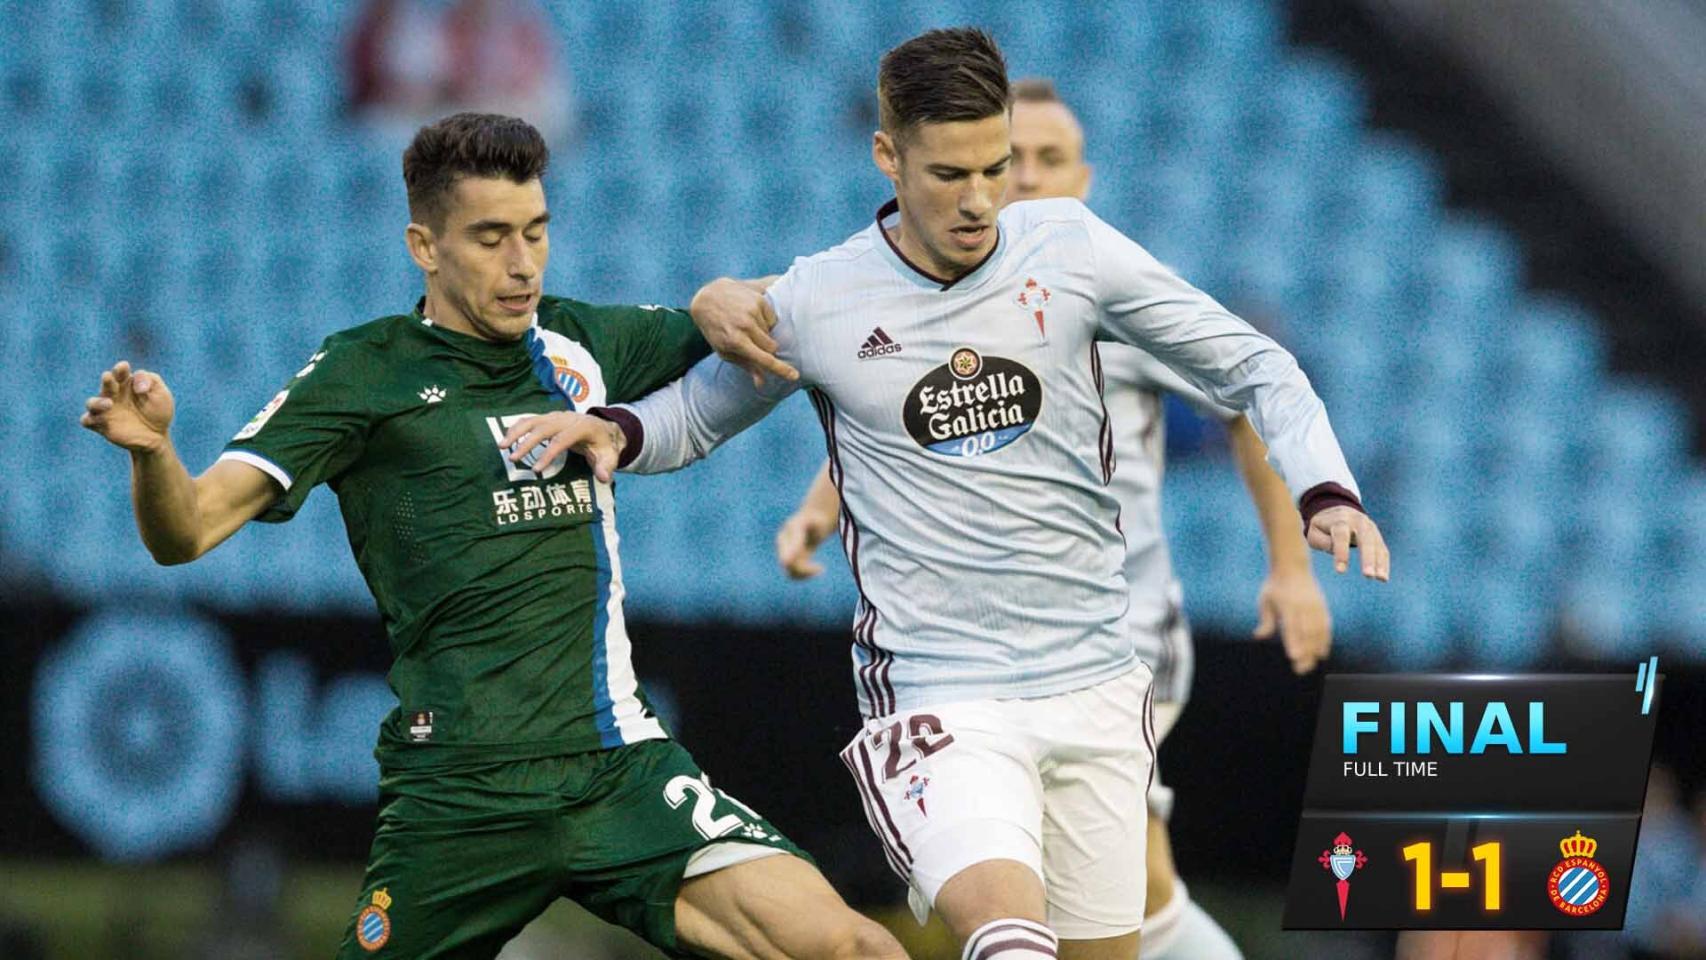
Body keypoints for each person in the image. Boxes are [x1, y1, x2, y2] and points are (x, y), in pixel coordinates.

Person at [507, 28, 1389, 960]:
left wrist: (1326, 491)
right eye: (948, 174)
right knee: (1010, 943)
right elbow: (695, 417)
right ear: (887, 156)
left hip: (1093, 680)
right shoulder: (822, 298)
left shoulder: (1071, 248)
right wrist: (616, 429)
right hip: (939, 694)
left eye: (995, 167)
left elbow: (1254, 364)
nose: (978, 202)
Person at [79, 112, 904, 960]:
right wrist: (153, 456)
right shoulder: (364, 371)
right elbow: (188, 531)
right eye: (490, 238)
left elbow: (789, 306)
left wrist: (719, 294)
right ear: (424, 247)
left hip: (615, 768)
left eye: (536, 233)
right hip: (460, 797)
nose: (522, 264)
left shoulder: (579, 346)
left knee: (854, 948)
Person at [771, 76, 1324, 960]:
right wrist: (816, 507)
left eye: (1047, 160)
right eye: (1009, 159)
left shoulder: (1112, 301)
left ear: (1085, 178)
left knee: (1060, 893)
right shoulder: (961, 296)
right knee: (1135, 901)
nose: (1022, 177)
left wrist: (1290, 569)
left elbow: (1246, 403)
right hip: (1011, 643)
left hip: (1113, 634)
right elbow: (911, 424)